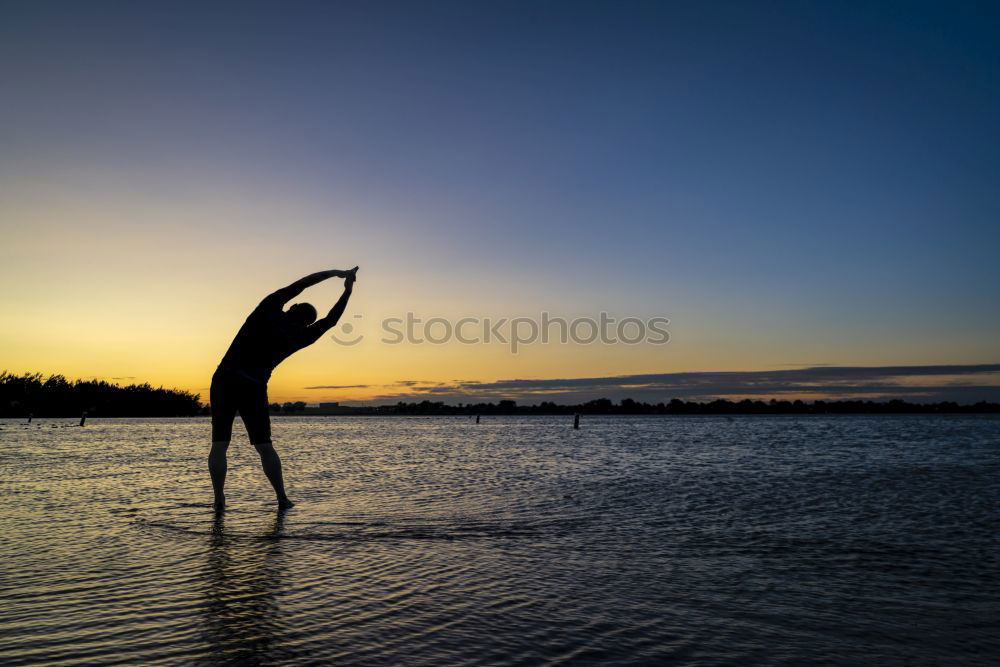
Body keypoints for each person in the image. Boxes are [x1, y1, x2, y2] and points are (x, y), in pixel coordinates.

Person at [209, 267, 358, 510]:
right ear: (307, 323)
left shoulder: (267, 310)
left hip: (224, 379)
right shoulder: (301, 337)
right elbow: (331, 320)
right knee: (264, 446)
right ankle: (281, 498)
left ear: (291, 307)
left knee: (219, 444)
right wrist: (348, 290)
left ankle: (218, 499)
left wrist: (335, 273)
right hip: (253, 387)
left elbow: (301, 284)